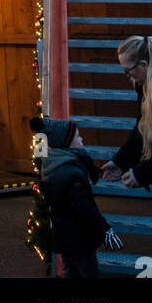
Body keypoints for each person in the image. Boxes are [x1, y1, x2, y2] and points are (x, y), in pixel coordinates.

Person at [31, 115, 122, 278]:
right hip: (79, 238)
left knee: (71, 272)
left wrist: (98, 172)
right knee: (89, 273)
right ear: (67, 144)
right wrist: (105, 228)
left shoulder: (54, 164)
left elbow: (81, 162)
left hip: (64, 236)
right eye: (78, 136)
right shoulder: (71, 174)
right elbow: (83, 208)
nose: (81, 139)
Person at [101, 34, 152, 191]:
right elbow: (142, 128)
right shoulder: (145, 87)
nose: (126, 76)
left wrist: (141, 174)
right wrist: (121, 162)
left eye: (128, 70)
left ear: (144, 65)